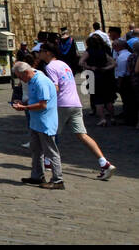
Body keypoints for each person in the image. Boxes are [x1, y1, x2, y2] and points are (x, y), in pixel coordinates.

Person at [35, 42, 116, 180]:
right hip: (75, 103)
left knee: (49, 133)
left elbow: (55, 88)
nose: (39, 53)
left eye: (41, 51)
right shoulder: (64, 64)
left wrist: (42, 98)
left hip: (62, 104)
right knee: (82, 135)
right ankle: (104, 163)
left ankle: (48, 163)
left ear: (48, 53)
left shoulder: (50, 67)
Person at [12, 61, 63, 189]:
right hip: (36, 122)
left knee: (50, 151)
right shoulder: (31, 80)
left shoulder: (41, 82)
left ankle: (58, 180)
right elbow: (34, 99)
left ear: (25, 72)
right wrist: (22, 102)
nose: (20, 79)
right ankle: (37, 176)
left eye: (20, 76)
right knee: (36, 150)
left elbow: (42, 104)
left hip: (45, 122)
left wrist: (25, 107)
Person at [83, 33, 116, 126]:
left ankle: (102, 119)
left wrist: (89, 67)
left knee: (98, 100)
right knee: (108, 99)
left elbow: (81, 62)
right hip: (105, 76)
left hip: (94, 76)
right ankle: (112, 117)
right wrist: (106, 68)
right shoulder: (103, 51)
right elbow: (113, 63)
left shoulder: (88, 51)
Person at [115, 38, 137, 128]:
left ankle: (129, 119)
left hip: (125, 81)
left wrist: (118, 84)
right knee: (131, 101)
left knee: (127, 101)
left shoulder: (121, 57)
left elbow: (121, 73)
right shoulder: (128, 54)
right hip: (130, 80)